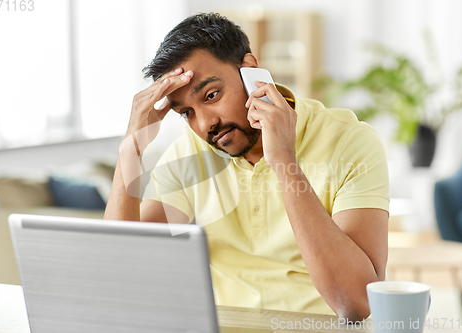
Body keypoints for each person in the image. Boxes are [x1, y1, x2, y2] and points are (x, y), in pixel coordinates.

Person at [104, 12, 389, 321]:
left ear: (251, 71)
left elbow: (357, 304)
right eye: (186, 112)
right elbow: (122, 271)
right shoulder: (188, 152)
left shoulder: (349, 141)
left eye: (212, 95)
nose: (205, 123)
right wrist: (131, 147)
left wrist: (282, 159)